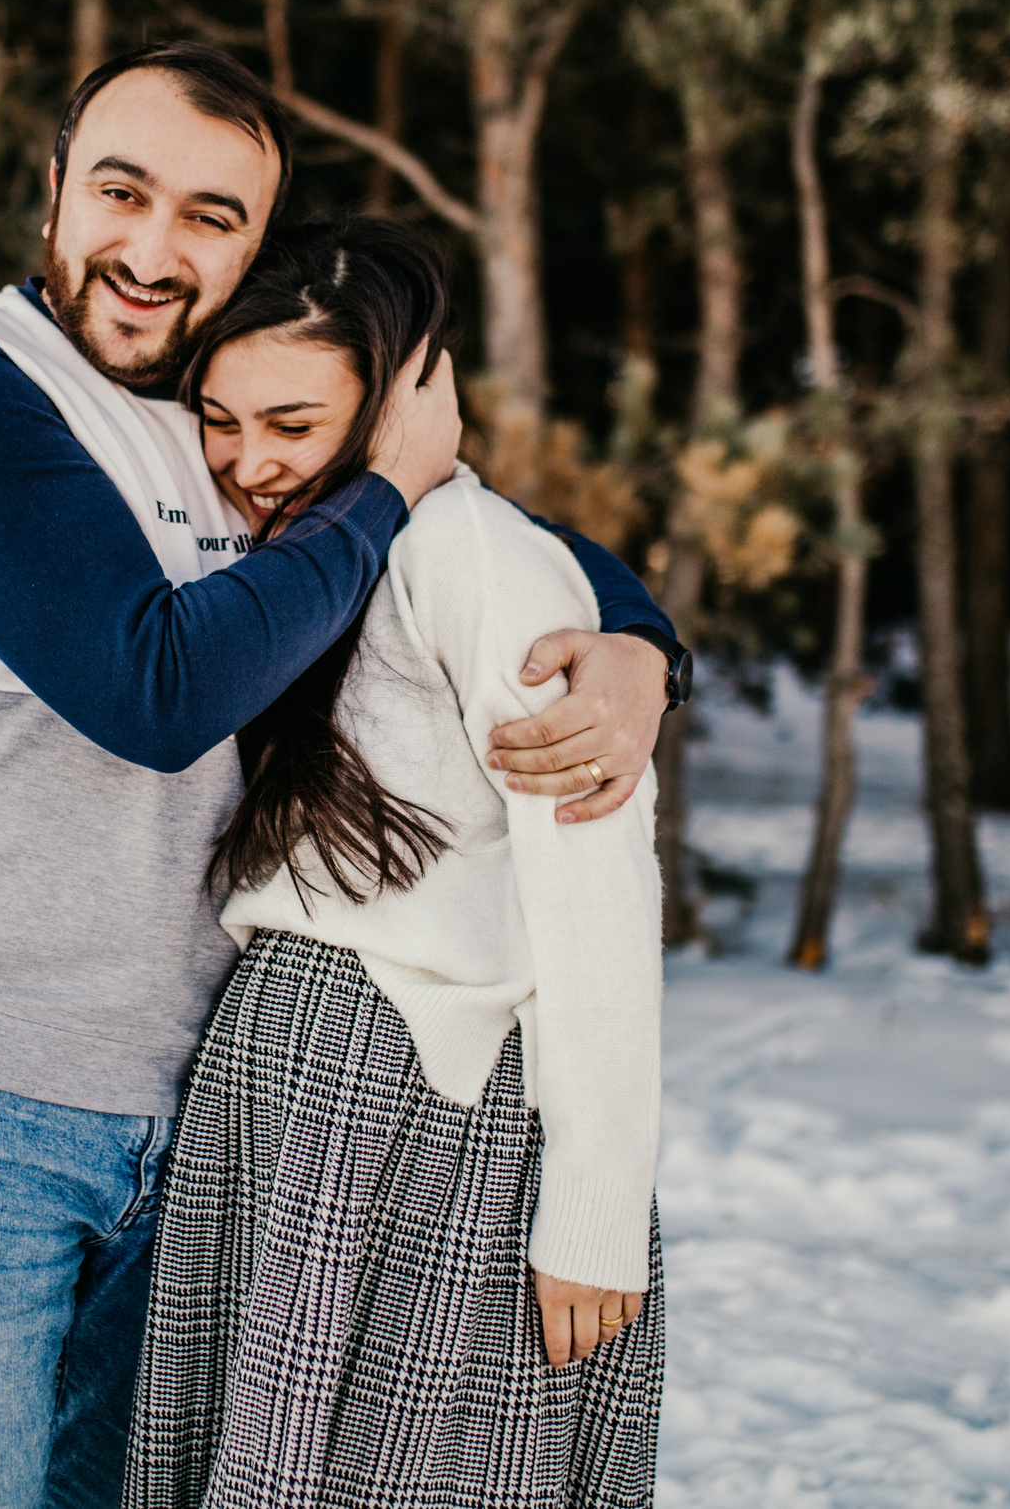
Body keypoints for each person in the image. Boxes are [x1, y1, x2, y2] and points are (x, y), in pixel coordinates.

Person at [0, 42, 689, 1509]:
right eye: (122, 193)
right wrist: (389, 481)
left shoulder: (231, 402)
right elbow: (154, 689)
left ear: (255, 248)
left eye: (211, 217)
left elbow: (493, 548)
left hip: (213, 1109)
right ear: (54, 187)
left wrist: (641, 647)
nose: (154, 252)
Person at [124, 217, 663, 1509]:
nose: (250, 461)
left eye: (295, 423)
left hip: (424, 1089)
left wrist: (597, 1201)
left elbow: (596, 875)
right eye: (221, 421)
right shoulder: (283, 555)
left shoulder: (472, 553)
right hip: (275, 1072)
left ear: (396, 405)